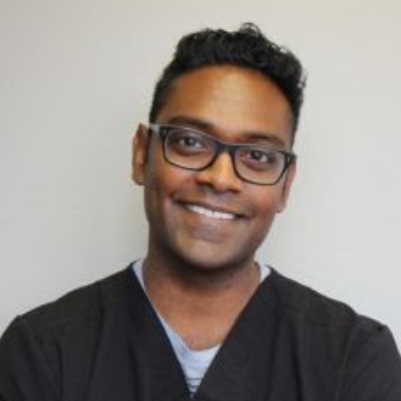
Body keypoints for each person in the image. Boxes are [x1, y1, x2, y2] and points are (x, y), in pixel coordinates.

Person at [0, 23, 400, 401]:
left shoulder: (353, 359)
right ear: (142, 154)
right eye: (190, 142)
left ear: (285, 185)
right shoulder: (41, 352)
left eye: (258, 155)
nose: (220, 179)